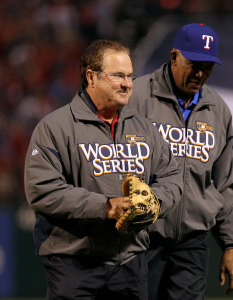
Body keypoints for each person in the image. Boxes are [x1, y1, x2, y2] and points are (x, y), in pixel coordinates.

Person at [24, 39, 182, 300]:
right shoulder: (55, 127)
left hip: (131, 261)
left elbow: (172, 177)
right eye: (118, 75)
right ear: (91, 77)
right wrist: (107, 206)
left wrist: (156, 202)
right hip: (74, 262)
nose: (127, 84)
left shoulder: (145, 129)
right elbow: (43, 190)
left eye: (130, 76)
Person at [128, 23, 233, 299]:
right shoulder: (137, 97)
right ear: (174, 57)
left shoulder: (218, 110)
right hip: (141, 238)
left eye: (208, 66)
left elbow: (225, 182)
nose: (201, 73)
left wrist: (231, 245)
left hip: (191, 242)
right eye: (194, 64)